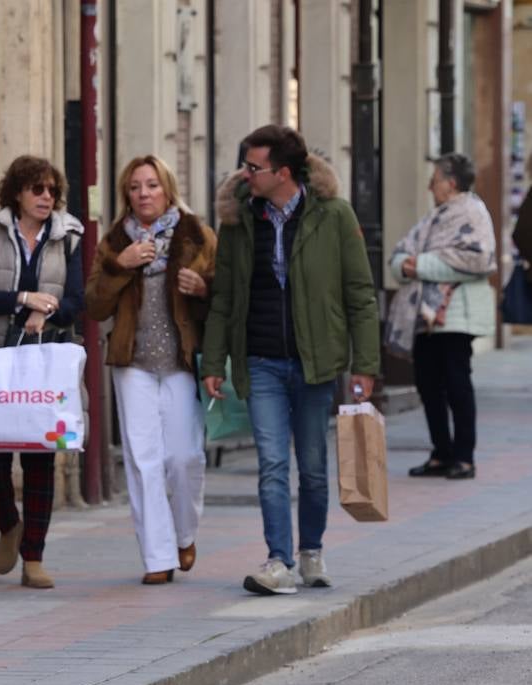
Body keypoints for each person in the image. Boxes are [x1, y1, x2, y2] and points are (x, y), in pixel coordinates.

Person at [201, 125, 379, 596]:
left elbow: (360, 295)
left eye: (254, 167)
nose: (246, 174)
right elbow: (224, 297)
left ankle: (311, 551)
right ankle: (278, 560)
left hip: (315, 363)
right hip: (260, 361)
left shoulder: (334, 217)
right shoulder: (239, 222)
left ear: (283, 173)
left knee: (315, 468)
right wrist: (213, 362)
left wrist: (365, 365)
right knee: (273, 464)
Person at [0, 155, 85, 589]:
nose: (46, 197)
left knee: (41, 455)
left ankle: (34, 559)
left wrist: (49, 312)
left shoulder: (68, 237)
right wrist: (24, 298)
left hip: (45, 355)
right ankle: (9, 523)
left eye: (51, 191)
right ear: (18, 194)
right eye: (36, 189)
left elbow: (77, 300)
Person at [88, 155, 216, 584]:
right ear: (127, 193)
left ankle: (184, 534)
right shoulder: (113, 242)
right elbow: (94, 305)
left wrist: (203, 289)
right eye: (135, 187)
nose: (144, 194)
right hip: (133, 363)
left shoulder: (196, 234)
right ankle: (157, 559)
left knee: (184, 457)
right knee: (143, 462)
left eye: (152, 185)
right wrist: (119, 267)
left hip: (180, 362)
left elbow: (223, 293)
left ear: (167, 189)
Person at [389, 153, 497, 481]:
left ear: (451, 184)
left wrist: (418, 265)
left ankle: (464, 457)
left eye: (434, 179)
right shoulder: (435, 218)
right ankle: (441, 452)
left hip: (455, 317)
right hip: (426, 318)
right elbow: (397, 257)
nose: (429, 186)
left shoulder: (473, 213)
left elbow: (476, 260)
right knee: (427, 384)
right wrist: (407, 264)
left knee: (456, 384)